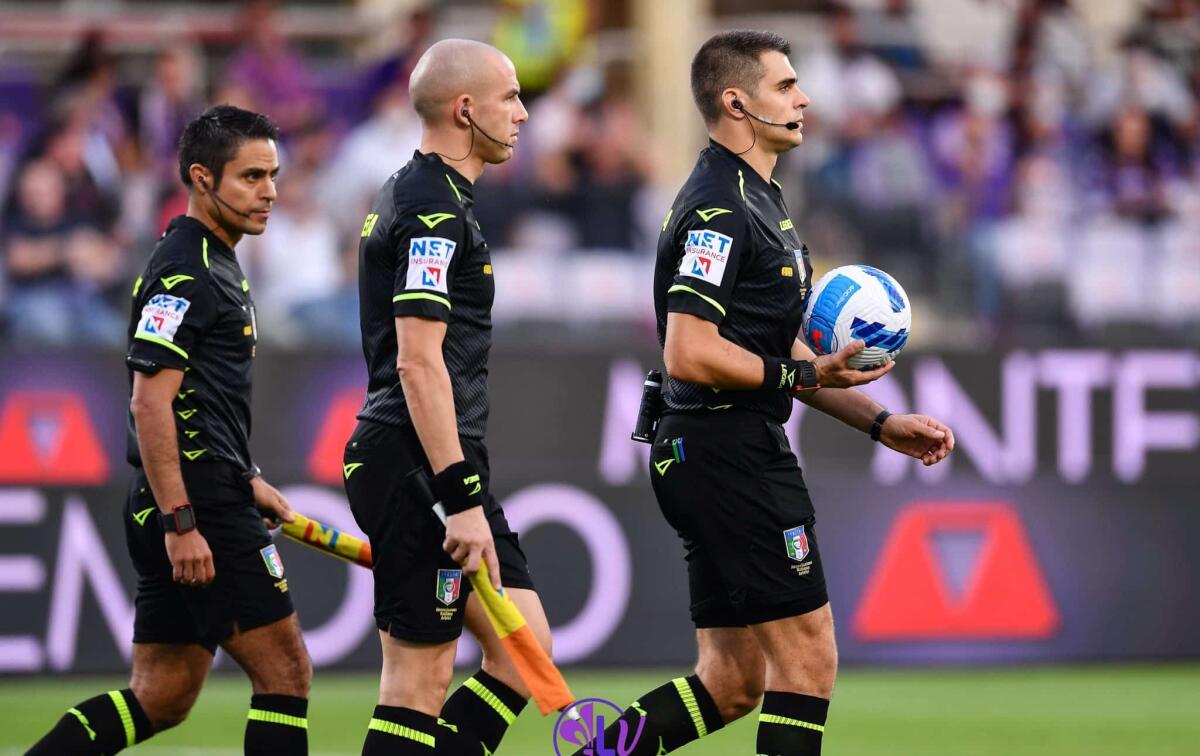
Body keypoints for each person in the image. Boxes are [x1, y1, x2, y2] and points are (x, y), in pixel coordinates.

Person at [576, 31, 955, 756]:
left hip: (708, 449)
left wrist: (879, 422)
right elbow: (689, 349)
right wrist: (806, 376)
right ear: (736, 102)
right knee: (808, 663)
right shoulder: (720, 207)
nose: (804, 97)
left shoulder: (759, 200)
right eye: (785, 86)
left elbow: (772, 346)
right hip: (729, 452)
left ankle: (596, 754)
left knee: (731, 682)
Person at [27, 105, 312, 756]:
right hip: (195, 506)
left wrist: (249, 476)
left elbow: (201, 403)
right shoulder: (184, 268)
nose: (269, 191)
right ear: (201, 179)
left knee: (163, 694)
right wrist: (182, 521)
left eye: (273, 175)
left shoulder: (217, 259)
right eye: (251, 177)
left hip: (205, 490)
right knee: (286, 674)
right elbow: (150, 405)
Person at [343, 39, 551, 755]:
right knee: (416, 684)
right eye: (512, 97)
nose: (524, 114)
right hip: (417, 465)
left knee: (527, 651)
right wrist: (459, 498)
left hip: (437, 461)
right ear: (466, 109)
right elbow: (418, 364)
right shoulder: (431, 208)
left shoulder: (428, 193)